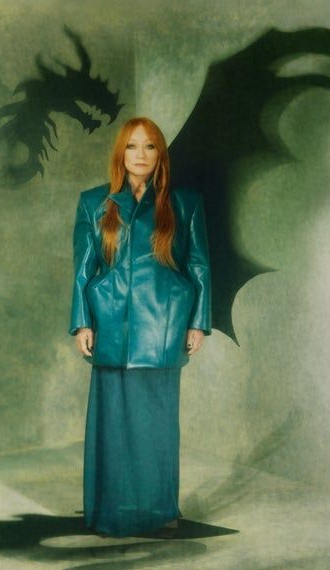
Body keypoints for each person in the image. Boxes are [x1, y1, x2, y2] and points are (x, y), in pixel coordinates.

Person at [69, 116, 211, 538]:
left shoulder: (184, 203)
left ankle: (159, 509)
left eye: (150, 146)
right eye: (132, 146)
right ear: (121, 153)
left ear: (160, 154)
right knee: (112, 425)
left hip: (164, 327)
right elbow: (83, 269)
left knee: (157, 425)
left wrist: (199, 323)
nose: (141, 154)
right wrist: (81, 322)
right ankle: (110, 509)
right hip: (110, 324)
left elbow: (199, 265)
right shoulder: (94, 203)